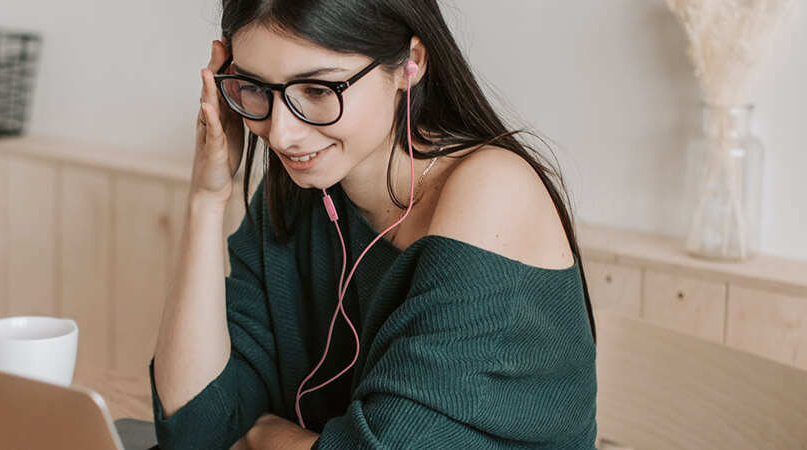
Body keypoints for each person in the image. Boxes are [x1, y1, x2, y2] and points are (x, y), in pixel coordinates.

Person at [150, 1, 598, 448]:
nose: (281, 132)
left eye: (319, 90)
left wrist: (260, 436)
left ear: (411, 63)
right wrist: (206, 199)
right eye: (254, 88)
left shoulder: (495, 189)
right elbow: (195, 426)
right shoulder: (303, 187)